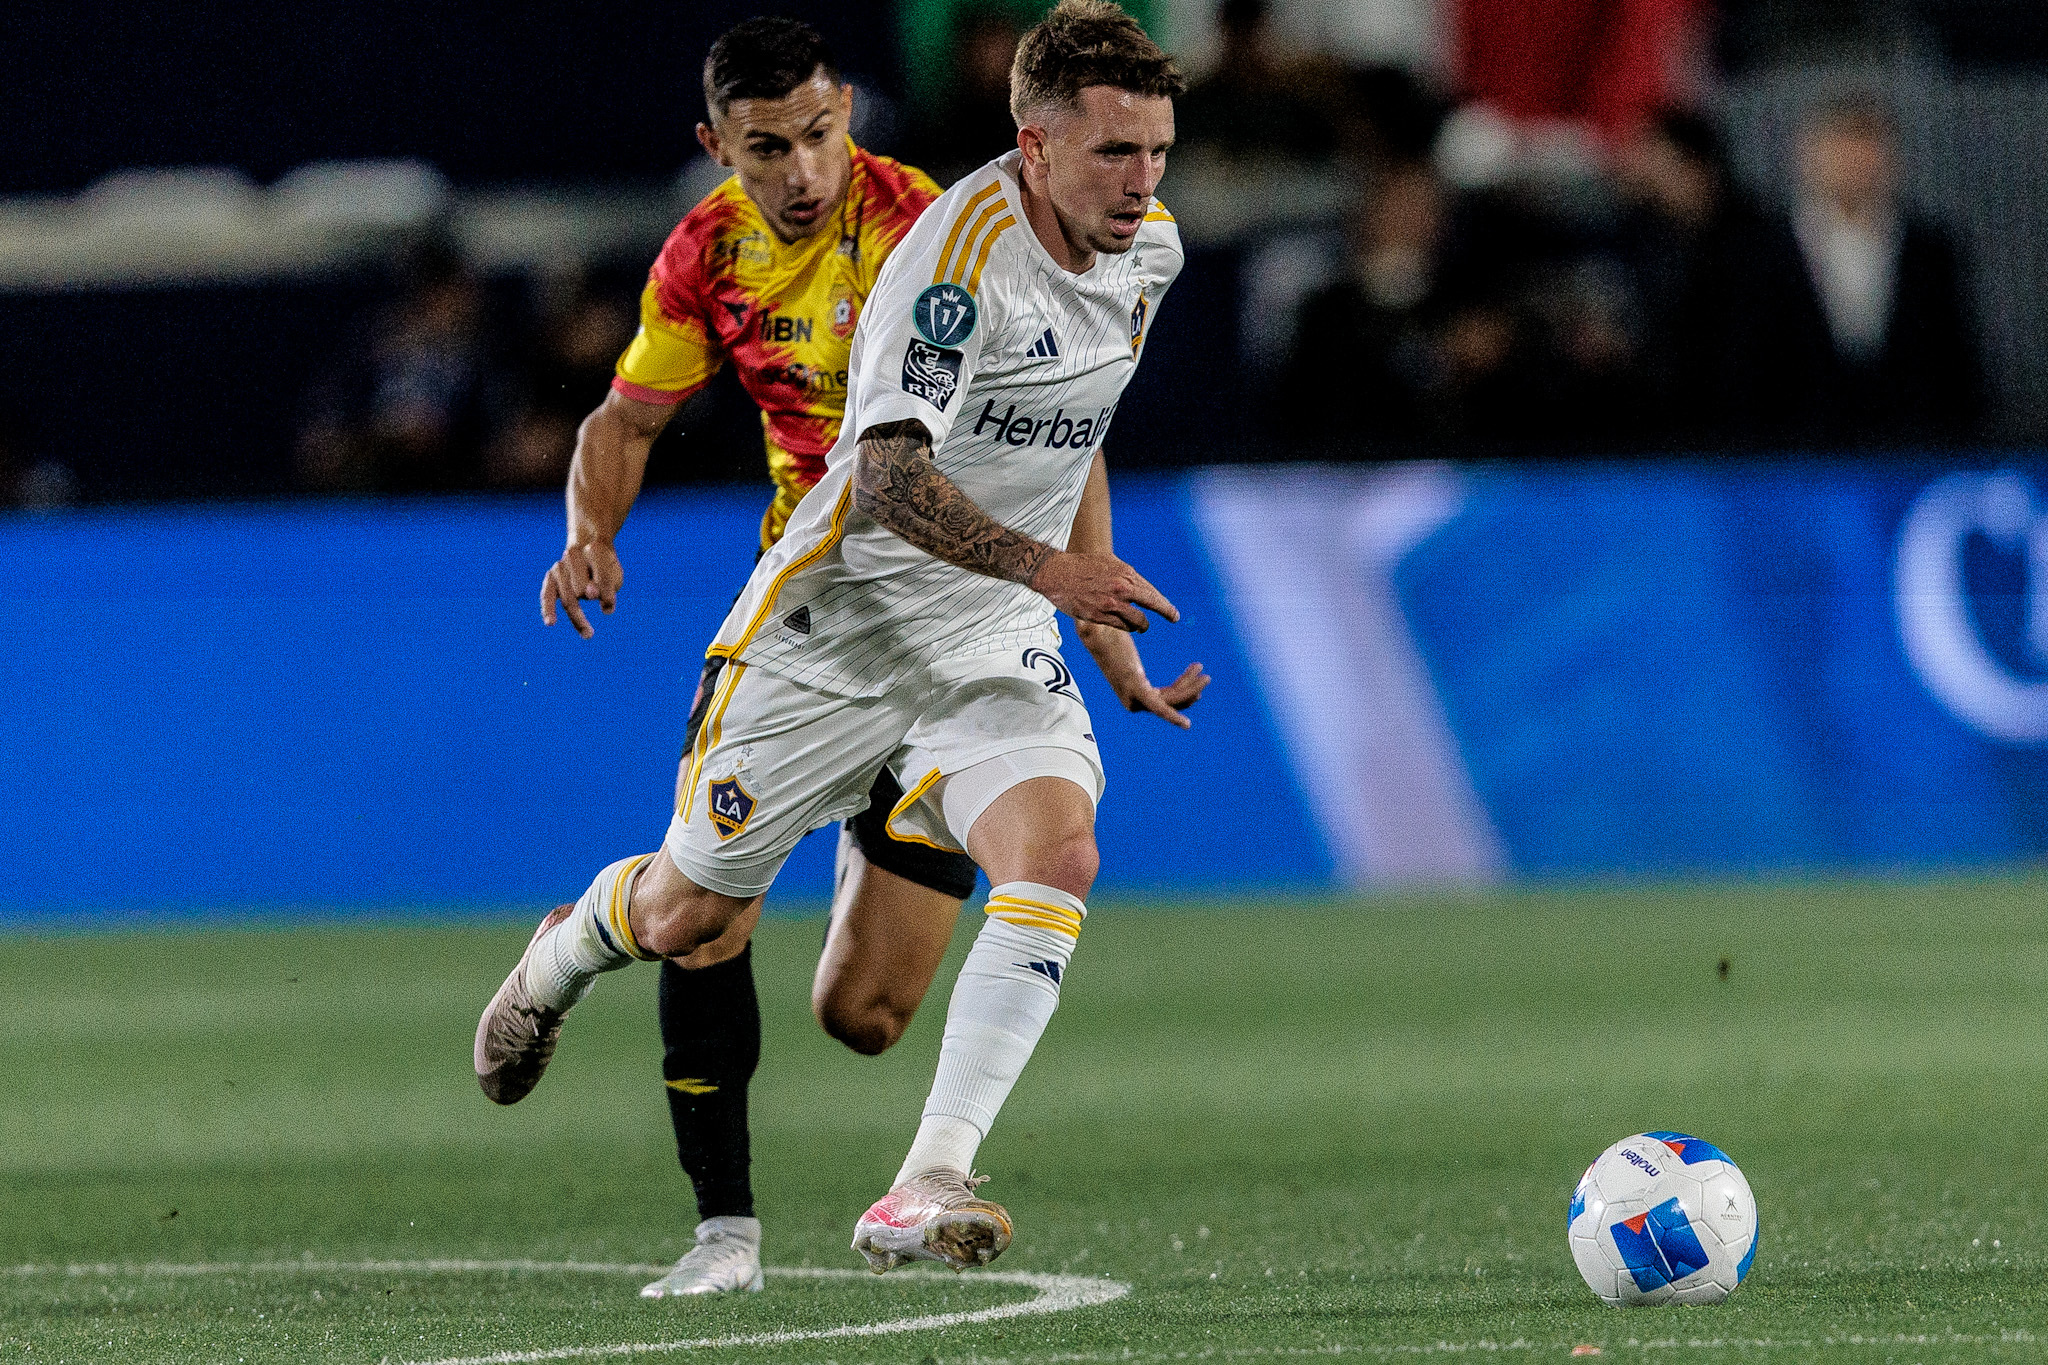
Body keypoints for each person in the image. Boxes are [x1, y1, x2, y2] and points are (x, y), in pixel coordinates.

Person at [477, 4, 1204, 1287]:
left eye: (1156, 153)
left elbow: (1068, 430)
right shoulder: (945, 260)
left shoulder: (1149, 254)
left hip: (982, 622)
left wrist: (1089, 620)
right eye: (1112, 156)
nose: (1141, 185)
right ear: (1033, 147)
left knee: (1051, 857)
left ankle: (924, 1182)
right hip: (838, 627)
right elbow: (884, 485)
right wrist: (1059, 572)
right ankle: (568, 945)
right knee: (691, 908)